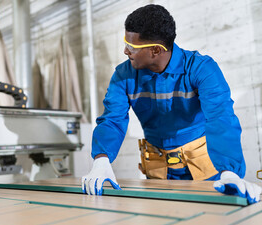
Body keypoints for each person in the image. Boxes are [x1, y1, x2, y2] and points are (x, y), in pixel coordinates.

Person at [81, 4, 262, 203]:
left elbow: (220, 117)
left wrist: (229, 171)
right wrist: (101, 159)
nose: (125, 50)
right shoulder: (123, 75)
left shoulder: (201, 69)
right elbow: (112, 119)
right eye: (125, 42)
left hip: (205, 169)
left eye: (132, 46)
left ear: (155, 50)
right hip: (157, 171)